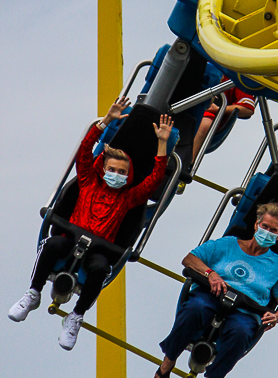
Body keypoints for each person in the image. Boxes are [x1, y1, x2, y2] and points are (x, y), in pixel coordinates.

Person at [8, 97, 173, 351]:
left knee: (99, 268)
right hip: (69, 238)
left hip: (99, 250)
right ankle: (33, 293)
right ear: (103, 169)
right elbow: (84, 151)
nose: (116, 175)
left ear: (128, 176)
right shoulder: (88, 181)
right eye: (112, 169)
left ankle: (76, 316)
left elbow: (154, 179)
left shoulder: (129, 197)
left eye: (122, 172)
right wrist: (105, 121)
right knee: (52, 245)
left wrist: (162, 143)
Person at [153, 201, 278, 378]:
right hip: (212, 294)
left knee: (241, 332)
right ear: (256, 225)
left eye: (273, 230)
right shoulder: (227, 244)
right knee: (195, 309)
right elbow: (190, 259)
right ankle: (168, 361)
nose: (267, 232)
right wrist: (210, 274)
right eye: (265, 226)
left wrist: (277, 316)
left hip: (246, 309)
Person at [192, 78, 255, 162]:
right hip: (185, 105)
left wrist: (218, 109)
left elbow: (248, 108)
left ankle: (188, 163)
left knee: (205, 124)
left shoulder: (236, 78)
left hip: (209, 115)